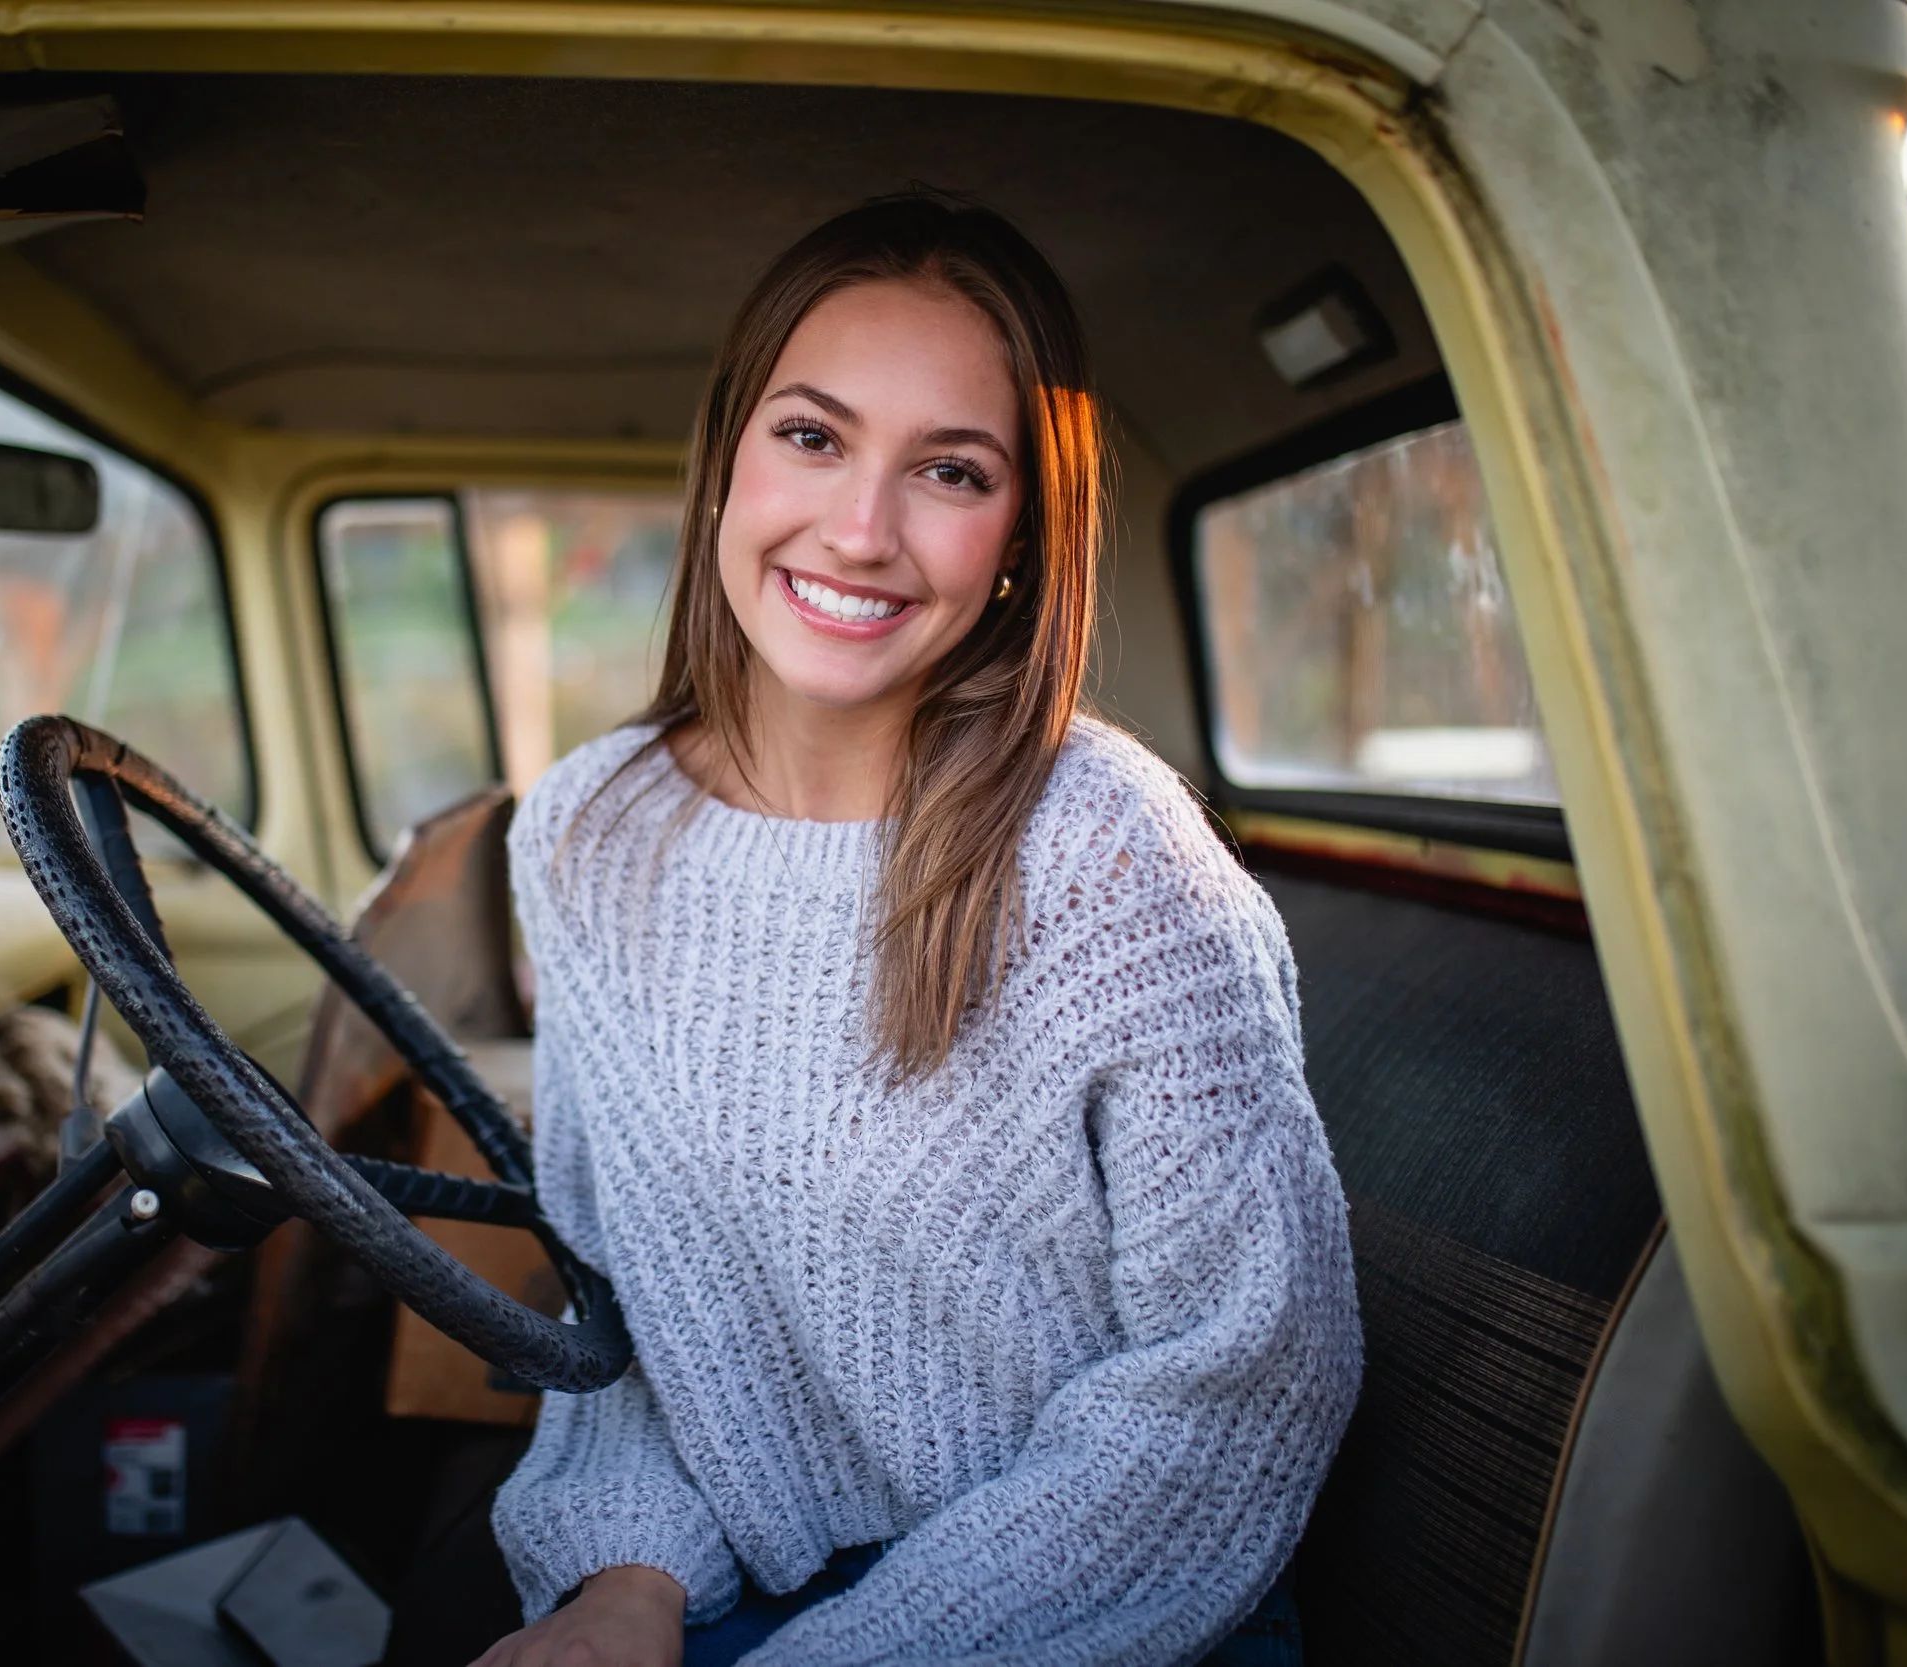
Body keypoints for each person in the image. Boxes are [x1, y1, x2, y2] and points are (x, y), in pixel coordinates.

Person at [472, 194, 1360, 1666]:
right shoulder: (583, 830)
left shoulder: (1108, 853)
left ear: (1022, 531)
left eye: (950, 469)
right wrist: (627, 1579)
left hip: (1093, 1607)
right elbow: (611, 1304)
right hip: (721, 1591)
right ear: (727, 465)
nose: (862, 529)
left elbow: (1243, 1386)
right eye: (812, 436)